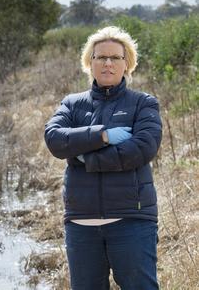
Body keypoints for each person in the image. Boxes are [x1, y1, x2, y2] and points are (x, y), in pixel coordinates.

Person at [44, 26, 162, 289]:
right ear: (90, 62)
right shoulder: (72, 104)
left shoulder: (143, 103)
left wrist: (87, 158)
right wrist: (103, 136)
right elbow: (54, 138)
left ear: (127, 64)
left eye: (115, 58)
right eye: (100, 57)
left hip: (132, 219)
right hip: (81, 222)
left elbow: (144, 147)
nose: (107, 63)